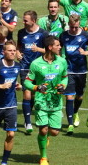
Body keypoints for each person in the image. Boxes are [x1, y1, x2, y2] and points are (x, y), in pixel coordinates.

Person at [24, 35, 68, 165]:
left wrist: (63, 85)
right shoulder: (36, 64)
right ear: (50, 47)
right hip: (41, 101)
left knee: (54, 132)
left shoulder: (62, 61)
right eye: (58, 45)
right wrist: (37, 87)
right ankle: (43, 157)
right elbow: (27, 82)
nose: (60, 47)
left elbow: (65, 77)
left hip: (56, 101)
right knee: (43, 129)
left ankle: (45, 137)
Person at [59, 14, 88, 135]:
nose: (73, 29)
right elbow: (58, 49)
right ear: (68, 24)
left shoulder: (85, 35)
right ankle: (70, 124)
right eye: (71, 27)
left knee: (79, 96)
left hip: (82, 71)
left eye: (75, 27)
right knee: (69, 96)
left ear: (79, 24)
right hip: (68, 71)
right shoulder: (64, 36)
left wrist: (86, 52)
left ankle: (75, 112)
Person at [17, 10, 49, 134]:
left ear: (34, 21)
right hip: (25, 68)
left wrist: (38, 49)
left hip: (40, 69)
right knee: (27, 94)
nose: (23, 22)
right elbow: (19, 46)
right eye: (23, 20)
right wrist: (18, 53)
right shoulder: (21, 33)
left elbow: (49, 50)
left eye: (26, 20)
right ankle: (28, 122)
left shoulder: (43, 34)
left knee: (39, 94)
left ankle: (41, 116)